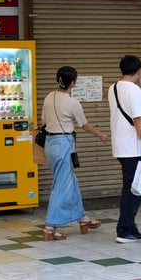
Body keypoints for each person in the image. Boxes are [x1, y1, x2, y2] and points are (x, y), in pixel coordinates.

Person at [40, 66, 109, 241]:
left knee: (69, 181)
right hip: (64, 144)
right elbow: (84, 124)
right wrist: (101, 134)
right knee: (61, 186)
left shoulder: (48, 97)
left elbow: (43, 121)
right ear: (73, 83)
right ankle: (50, 226)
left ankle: (83, 219)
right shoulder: (72, 102)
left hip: (49, 144)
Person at [107, 55, 141, 243]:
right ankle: (124, 229)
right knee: (133, 190)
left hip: (120, 145)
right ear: (139, 71)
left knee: (132, 187)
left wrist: (140, 87)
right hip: (133, 148)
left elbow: (126, 107)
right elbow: (138, 119)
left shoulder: (114, 88)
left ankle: (129, 226)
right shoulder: (133, 92)